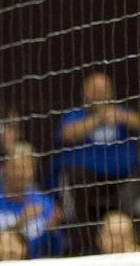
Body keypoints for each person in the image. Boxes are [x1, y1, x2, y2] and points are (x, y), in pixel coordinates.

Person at [55, 71, 140, 253]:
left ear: (111, 92)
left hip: (123, 176)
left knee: (133, 190)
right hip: (87, 178)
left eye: (104, 89)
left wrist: (122, 117)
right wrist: (97, 118)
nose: (100, 94)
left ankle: (131, 244)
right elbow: (67, 134)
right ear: (84, 93)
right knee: (75, 181)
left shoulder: (121, 112)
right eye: (95, 89)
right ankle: (85, 249)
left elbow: (136, 121)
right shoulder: (75, 115)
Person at [0, 141, 63, 259]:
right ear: (5, 169)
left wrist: (51, 231)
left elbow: (57, 250)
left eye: (27, 168)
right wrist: (19, 224)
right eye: (16, 167)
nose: (21, 174)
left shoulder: (45, 204)